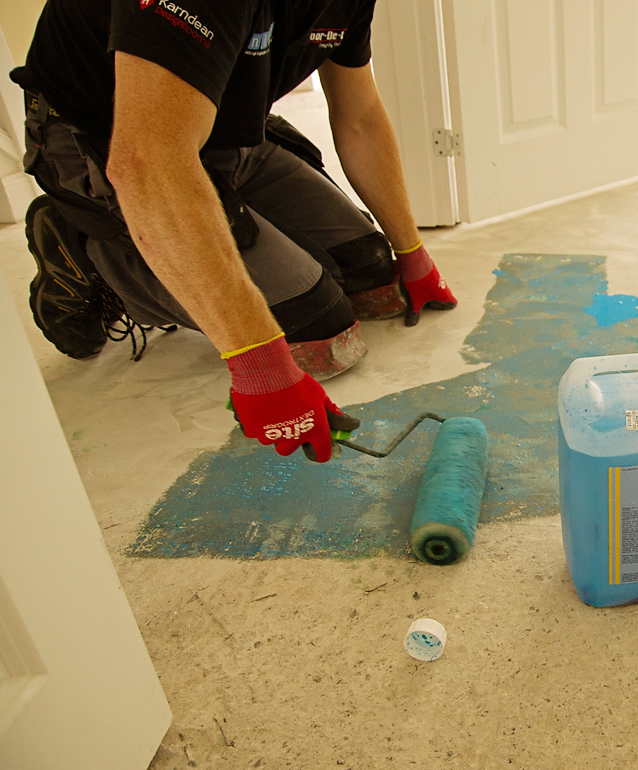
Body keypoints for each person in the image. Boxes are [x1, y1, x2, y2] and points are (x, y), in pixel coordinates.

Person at [11, 0, 458, 463]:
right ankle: (86, 248)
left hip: (226, 136)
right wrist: (258, 360)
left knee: (367, 268)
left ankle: (215, 215)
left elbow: (359, 116)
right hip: (110, 142)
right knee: (311, 326)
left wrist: (411, 251)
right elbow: (149, 163)